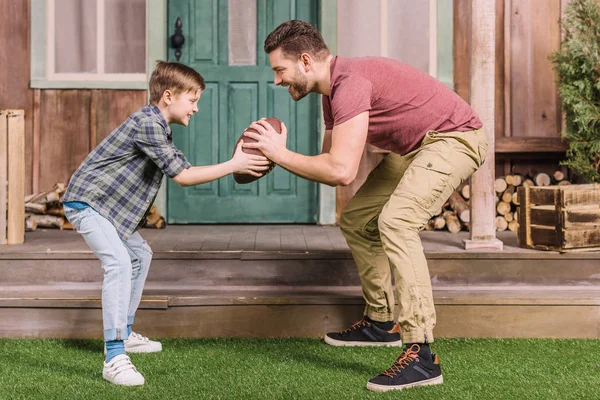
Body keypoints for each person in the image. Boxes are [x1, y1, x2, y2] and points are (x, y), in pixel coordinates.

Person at [244, 20, 487, 392]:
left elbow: (341, 171)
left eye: (280, 69)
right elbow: (329, 163)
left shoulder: (350, 84)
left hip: (454, 137)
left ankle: (422, 355)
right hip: (417, 147)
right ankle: (381, 321)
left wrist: (281, 153)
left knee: (397, 222)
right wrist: (280, 156)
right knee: (358, 219)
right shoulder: (330, 93)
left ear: (306, 61)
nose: (277, 80)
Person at [61, 61, 270, 386]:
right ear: (169, 96)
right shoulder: (147, 124)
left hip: (107, 210)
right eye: (193, 100)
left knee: (139, 255)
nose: (196, 108)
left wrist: (234, 164)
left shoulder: (157, 126)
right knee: (117, 262)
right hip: (88, 203)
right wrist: (234, 164)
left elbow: (181, 168)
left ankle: (125, 333)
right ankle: (114, 356)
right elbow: (184, 176)